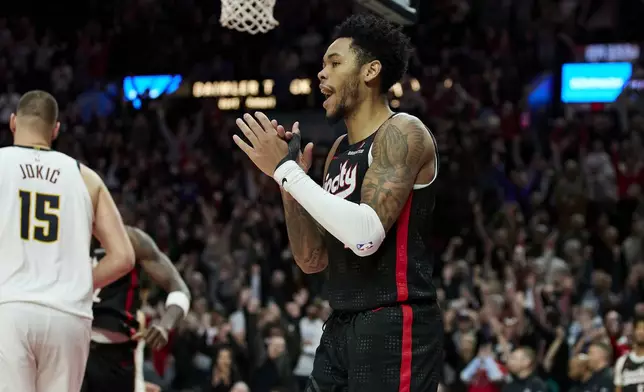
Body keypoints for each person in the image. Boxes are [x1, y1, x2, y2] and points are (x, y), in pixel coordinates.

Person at [233, 14, 442, 392]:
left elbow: (366, 236)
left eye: (334, 62)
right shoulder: (339, 154)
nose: (321, 74)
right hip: (342, 321)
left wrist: (285, 171)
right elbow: (312, 259)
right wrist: (290, 185)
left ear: (370, 71)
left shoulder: (403, 131)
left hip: (394, 322)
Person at [0, 90, 135, 392]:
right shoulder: (86, 177)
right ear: (56, 129)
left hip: (8, 309)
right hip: (67, 314)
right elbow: (124, 257)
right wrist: (78, 282)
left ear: (12, 122)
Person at [81, 226, 191, 392]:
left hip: (116, 356)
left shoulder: (132, 240)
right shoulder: (64, 237)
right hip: (74, 346)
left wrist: (165, 326)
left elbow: (180, 289)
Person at [615, 316, 644, 392]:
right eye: (639, 328)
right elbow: (618, 389)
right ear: (634, 331)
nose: (641, 332)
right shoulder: (622, 361)